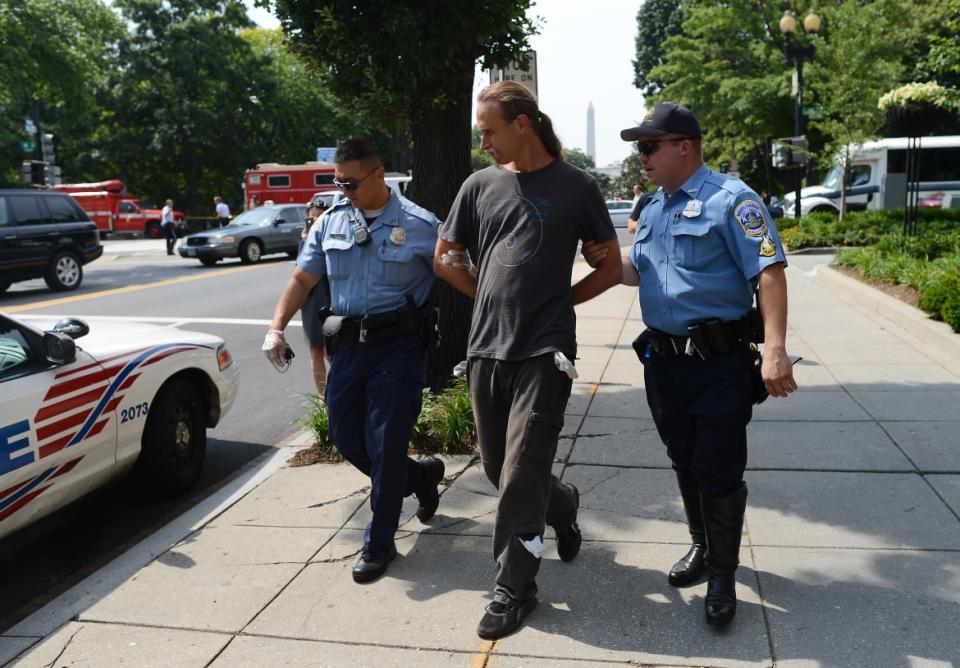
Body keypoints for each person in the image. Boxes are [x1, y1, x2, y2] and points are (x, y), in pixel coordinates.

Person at [582, 102, 797, 628]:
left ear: (685, 146)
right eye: (638, 148)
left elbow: (768, 269)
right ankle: (702, 546)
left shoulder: (733, 199)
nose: (641, 157)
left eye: (649, 147)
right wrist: (610, 265)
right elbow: (643, 270)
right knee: (683, 458)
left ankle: (723, 575)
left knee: (719, 466)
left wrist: (774, 348)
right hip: (665, 363)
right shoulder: (653, 208)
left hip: (720, 363)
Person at [434, 80, 622, 640]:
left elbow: (609, 267)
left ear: (523, 124)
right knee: (500, 467)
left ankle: (514, 587)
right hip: (486, 345)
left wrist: (563, 301)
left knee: (518, 473)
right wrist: (486, 295)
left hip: (546, 349)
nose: (483, 141)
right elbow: (445, 258)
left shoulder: (576, 186)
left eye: (489, 130)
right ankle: (561, 505)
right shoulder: (477, 186)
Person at [262, 139, 445, 584]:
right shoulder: (330, 223)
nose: (344, 190)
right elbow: (303, 278)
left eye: (351, 182)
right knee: (346, 439)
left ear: (379, 175)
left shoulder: (421, 224)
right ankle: (421, 476)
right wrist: (275, 327)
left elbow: (456, 270)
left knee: (384, 444)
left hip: (399, 348)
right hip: (348, 348)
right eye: (337, 182)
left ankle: (379, 543)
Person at [299, 193, 330, 394]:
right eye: (312, 218)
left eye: (320, 216)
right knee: (316, 350)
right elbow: (300, 270)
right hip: (311, 300)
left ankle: (342, 391)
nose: (316, 220)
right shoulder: (304, 240)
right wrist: (305, 239)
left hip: (333, 296)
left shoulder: (335, 234)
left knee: (333, 351)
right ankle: (323, 398)